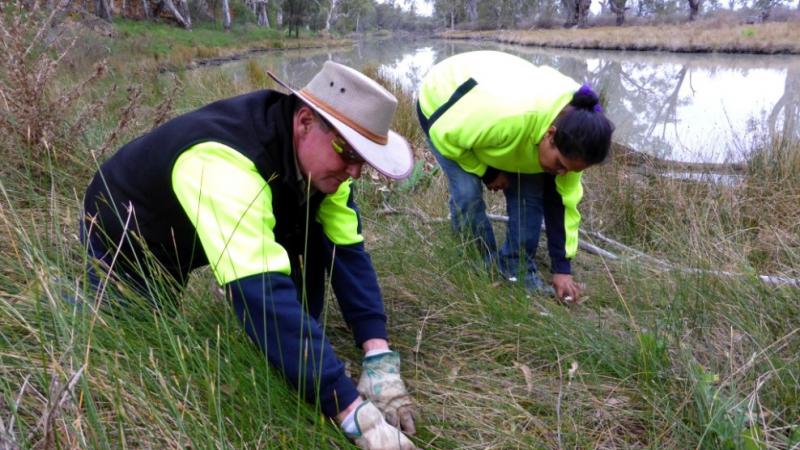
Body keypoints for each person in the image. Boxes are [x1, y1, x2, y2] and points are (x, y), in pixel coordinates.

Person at [83, 61, 419, 449]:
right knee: (139, 345)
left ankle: (301, 363)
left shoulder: (328, 171)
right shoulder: (226, 162)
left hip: (205, 216)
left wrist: (377, 352)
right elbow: (262, 295)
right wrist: (351, 412)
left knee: (306, 236)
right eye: (347, 153)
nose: (355, 171)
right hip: (130, 226)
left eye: (363, 159)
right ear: (305, 122)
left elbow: (347, 255)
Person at [416, 51, 614, 302]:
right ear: (550, 135)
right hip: (445, 104)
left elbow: (562, 204)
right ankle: (481, 264)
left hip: (499, 97)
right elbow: (444, 134)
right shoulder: (507, 118)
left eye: (571, 171)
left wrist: (562, 268)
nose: (562, 174)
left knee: (530, 194)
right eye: (560, 165)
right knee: (467, 193)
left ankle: (515, 268)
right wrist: (487, 172)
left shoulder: (574, 140)